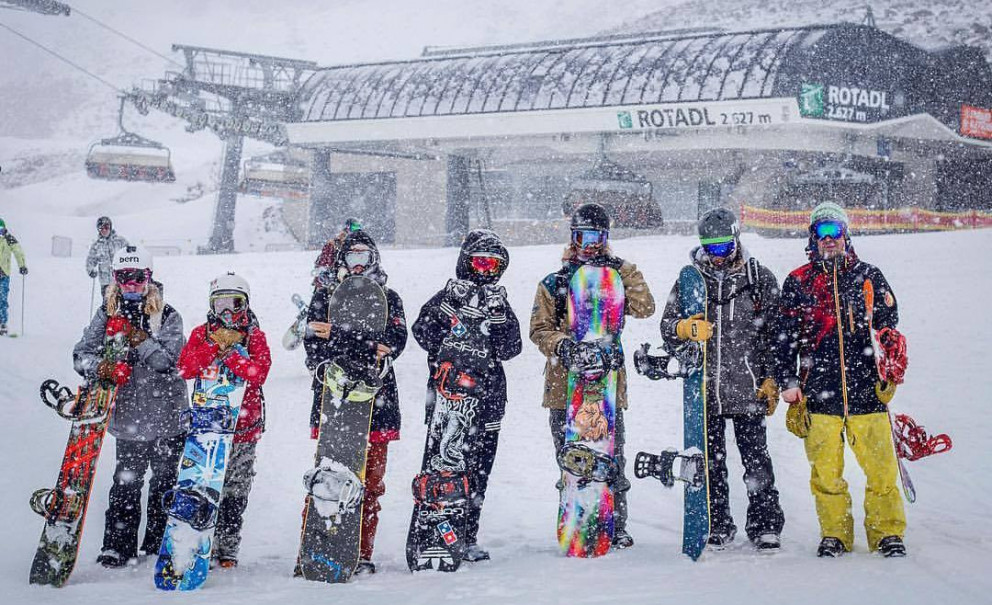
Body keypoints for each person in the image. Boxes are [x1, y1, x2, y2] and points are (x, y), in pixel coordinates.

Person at [776, 202, 907, 558]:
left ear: (846, 235)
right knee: (826, 473)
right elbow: (783, 336)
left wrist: (890, 365)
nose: (829, 239)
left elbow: (887, 327)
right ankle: (835, 533)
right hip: (819, 395)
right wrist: (789, 381)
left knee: (881, 470)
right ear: (813, 238)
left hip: (867, 393)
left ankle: (885, 533)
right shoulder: (799, 282)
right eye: (822, 232)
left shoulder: (868, 276)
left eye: (835, 231)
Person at [529, 202, 655, 549]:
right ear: (573, 238)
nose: (590, 244)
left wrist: (622, 272)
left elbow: (646, 307)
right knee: (573, 459)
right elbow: (539, 330)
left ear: (606, 238)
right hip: (565, 388)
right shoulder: (555, 282)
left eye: (597, 237)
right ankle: (577, 518)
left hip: (607, 387)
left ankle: (616, 523)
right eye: (583, 236)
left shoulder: (615, 277)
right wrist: (565, 346)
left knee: (611, 456)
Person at [659, 208, 785, 551]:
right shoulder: (690, 280)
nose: (717, 255)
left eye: (723, 247)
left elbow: (777, 335)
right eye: (710, 248)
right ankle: (717, 522)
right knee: (712, 462)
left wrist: (772, 377)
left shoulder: (758, 278)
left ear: (736, 239)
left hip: (748, 388)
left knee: (756, 461)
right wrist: (683, 328)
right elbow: (667, 327)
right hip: (705, 391)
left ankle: (764, 525)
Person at [72, 245, 188, 568]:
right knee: (126, 481)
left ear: (149, 278)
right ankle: (118, 545)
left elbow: (169, 360)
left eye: (138, 278)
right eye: (124, 278)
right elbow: (81, 355)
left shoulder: (166, 314)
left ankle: (157, 543)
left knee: (164, 480)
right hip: (129, 417)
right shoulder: (107, 312)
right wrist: (105, 369)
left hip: (167, 416)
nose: (131, 285)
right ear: (115, 279)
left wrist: (138, 337)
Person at [411, 229, 522, 562]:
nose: (485, 271)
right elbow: (423, 334)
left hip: (487, 403)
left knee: (479, 472)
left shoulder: (497, 303)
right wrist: (448, 305)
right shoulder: (447, 296)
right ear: (466, 262)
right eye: (480, 262)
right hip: (449, 401)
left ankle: (467, 534)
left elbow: (510, 348)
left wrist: (498, 314)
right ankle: (431, 527)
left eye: (493, 265)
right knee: (442, 465)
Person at [303, 229, 407, 574]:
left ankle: (361, 550)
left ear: (374, 258)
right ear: (342, 260)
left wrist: (341, 336)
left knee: (371, 484)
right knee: (328, 476)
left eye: (364, 256)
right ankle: (317, 544)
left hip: (377, 402)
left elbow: (394, 342)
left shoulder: (389, 297)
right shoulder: (324, 297)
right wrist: (364, 342)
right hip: (334, 400)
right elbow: (314, 347)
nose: (358, 263)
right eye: (352, 256)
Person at [176, 272, 272, 569]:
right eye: (221, 306)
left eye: (235, 304)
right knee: (203, 483)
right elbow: (185, 368)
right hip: (207, 427)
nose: (228, 312)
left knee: (235, 488)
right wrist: (212, 348)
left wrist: (233, 356)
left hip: (243, 428)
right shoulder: (201, 334)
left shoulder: (254, 335)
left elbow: (259, 372)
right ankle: (198, 539)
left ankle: (227, 546)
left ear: (245, 305)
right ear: (212, 306)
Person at [86, 216, 130, 297]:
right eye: (101, 228)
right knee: (107, 304)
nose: (104, 230)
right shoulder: (96, 245)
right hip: (105, 281)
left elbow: (129, 254)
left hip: (120, 280)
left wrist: (131, 251)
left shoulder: (120, 241)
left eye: (106, 227)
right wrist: (91, 270)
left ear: (110, 227)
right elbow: (90, 260)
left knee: (122, 302)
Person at [312, 217, 362, 287]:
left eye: (359, 227)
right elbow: (324, 262)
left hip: (356, 274)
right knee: (323, 292)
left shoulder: (363, 243)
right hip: (336, 275)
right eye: (354, 227)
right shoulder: (334, 244)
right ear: (347, 227)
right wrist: (325, 273)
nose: (356, 230)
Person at [0, 217, 28, 336]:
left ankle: (2, 323)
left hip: (3, 274)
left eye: (1, 230)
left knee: (2, 299)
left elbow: (18, 251)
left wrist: (22, 265)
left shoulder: (9, 239)